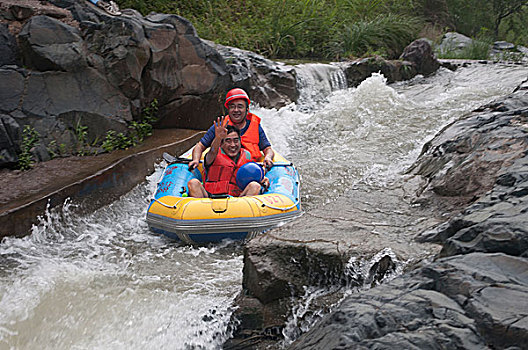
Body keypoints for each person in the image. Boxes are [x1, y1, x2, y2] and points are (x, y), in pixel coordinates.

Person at [188, 88, 274, 171]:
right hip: (225, 168)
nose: (236, 110)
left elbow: (267, 149)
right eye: (232, 107)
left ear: (247, 110)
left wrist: (268, 157)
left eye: (240, 106)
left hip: (249, 169)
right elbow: (200, 146)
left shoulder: (255, 126)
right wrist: (195, 159)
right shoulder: (220, 127)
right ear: (228, 109)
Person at [187, 123, 269, 198]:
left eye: (236, 141)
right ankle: (200, 212)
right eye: (228, 141)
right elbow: (212, 150)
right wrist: (218, 138)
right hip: (209, 198)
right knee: (193, 183)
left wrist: (262, 178)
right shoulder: (213, 155)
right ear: (221, 144)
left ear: (240, 142)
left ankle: (244, 212)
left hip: (237, 200)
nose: (233, 145)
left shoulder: (246, 156)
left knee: (255, 186)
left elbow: (251, 174)